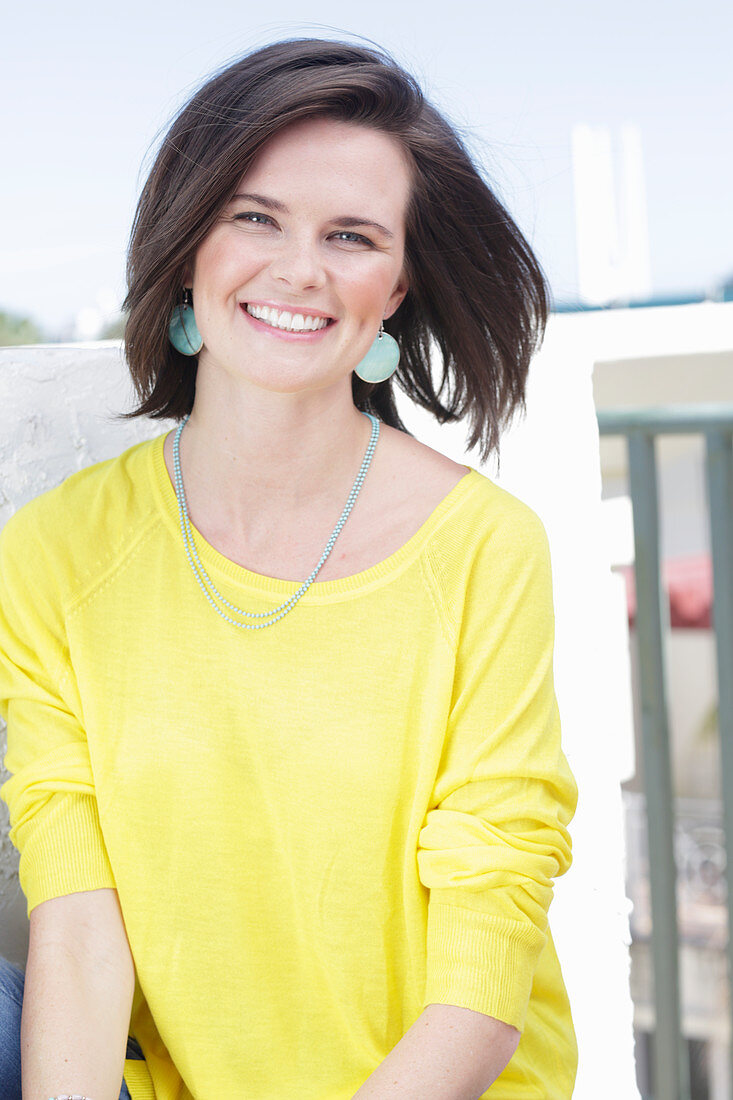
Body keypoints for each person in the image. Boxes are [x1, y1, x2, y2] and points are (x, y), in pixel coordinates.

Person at [0, 37, 578, 1100]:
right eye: (253, 217)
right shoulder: (53, 552)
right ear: (187, 246)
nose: (299, 268)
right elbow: (79, 932)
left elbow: (482, 976)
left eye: (350, 236)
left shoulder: (485, 547)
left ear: (398, 282)